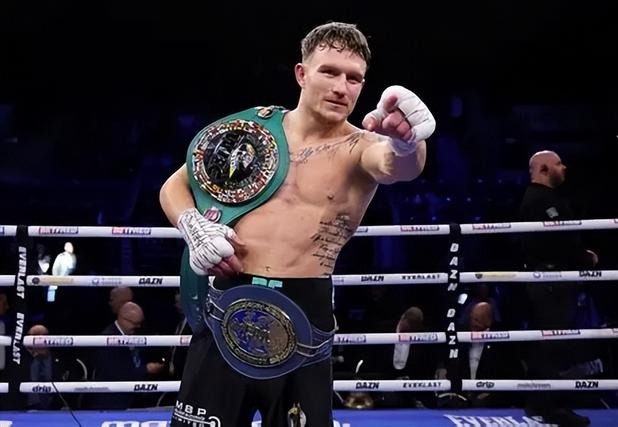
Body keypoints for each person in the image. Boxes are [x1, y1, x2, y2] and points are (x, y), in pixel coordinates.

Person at [159, 21, 435, 427]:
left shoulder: (362, 146)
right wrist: (194, 228)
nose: (342, 87)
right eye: (330, 72)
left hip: (305, 309)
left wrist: (408, 141)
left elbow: (400, 167)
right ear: (301, 74)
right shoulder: (254, 133)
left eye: (354, 78)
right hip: (227, 299)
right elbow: (175, 185)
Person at [519, 150, 597, 427]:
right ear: (543, 169)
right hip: (551, 279)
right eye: (558, 164)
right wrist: (584, 257)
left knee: (549, 342)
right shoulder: (539, 199)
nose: (564, 168)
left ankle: (540, 403)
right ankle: (553, 407)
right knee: (554, 343)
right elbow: (558, 240)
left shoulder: (545, 198)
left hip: (550, 279)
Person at [87, 302, 164, 409]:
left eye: (140, 323)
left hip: (132, 399)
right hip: (113, 402)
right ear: (123, 319)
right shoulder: (108, 339)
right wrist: (146, 369)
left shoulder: (132, 334)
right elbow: (116, 373)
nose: (138, 326)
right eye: (135, 323)